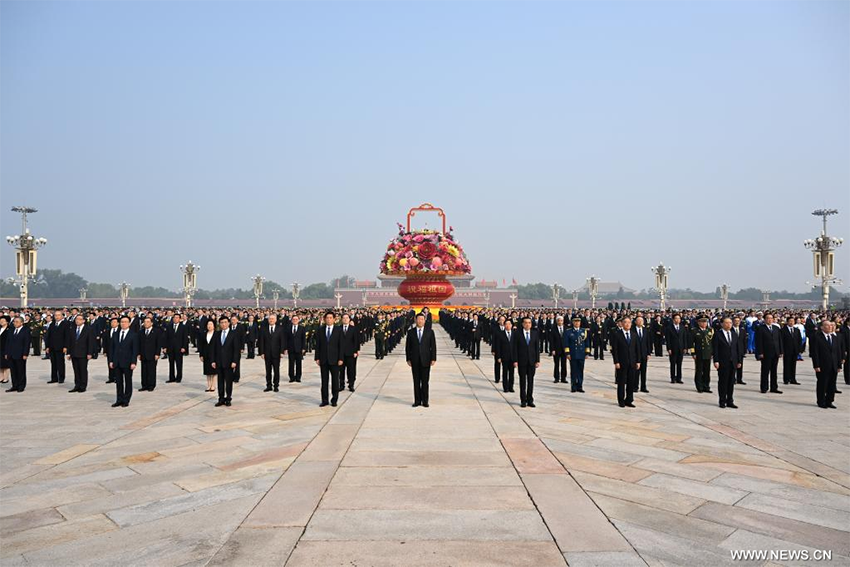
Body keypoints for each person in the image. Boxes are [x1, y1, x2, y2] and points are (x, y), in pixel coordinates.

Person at [406, 312, 436, 407]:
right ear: (415, 320)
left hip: (426, 360)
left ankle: (425, 401)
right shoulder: (411, 332)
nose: (420, 321)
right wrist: (408, 359)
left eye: (422, 319)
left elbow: (433, 346)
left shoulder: (430, 332)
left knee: (425, 382)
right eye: (418, 319)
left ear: (424, 320)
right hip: (414, 360)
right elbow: (408, 347)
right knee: (416, 381)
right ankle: (417, 401)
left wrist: (433, 358)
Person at [810, 320, 843, 409]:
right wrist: (816, 365)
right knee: (822, 384)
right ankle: (821, 401)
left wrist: (839, 365)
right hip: (822, 365)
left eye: (831, 326)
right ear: (822, 327)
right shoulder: (817, 338)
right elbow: (815, 352)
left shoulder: (834, 337)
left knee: (832, 384)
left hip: (833, 365)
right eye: (827, 325)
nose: (830, 327)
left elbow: (838, 352)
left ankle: (829, 401)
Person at [315, 311, 343, 407]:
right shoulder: (320, 330)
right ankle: (324, 400)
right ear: (324, 319)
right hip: (323, 359)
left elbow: (341, 346)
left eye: (331, 318)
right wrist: (317, 357)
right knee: (324, 381)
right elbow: (317, 345)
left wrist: (340, 358)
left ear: (334, 319)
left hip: (335, 360)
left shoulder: (338, 330)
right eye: (327, 318)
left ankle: (334, 399)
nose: (329, 319)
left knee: (335, 381)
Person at [712, 316, 741, 409]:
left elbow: (737, 349)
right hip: (722, 362)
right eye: (727, 323)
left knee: (731, 382)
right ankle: (722, 400)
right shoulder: (717, 334)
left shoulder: (734, 334)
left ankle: (730, 401)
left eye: (730, 323)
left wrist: (739, 361)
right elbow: (715, 349)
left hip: (733, 361)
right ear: (722, 324)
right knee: (723, 382)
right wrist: (716, 361)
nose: (729, 325)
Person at [109, 316, 138, 407]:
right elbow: (112, 349)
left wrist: (134, 362)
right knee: (119, 382)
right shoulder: (116, 334)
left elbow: (135, 350)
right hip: (117, 362)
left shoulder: (133, 335)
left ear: (129, 323)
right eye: (121, 322)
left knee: (128, 381)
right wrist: (111, 361)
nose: (123, 323)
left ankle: (126, 399)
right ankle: (119, 399)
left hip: (128, 362)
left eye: (125, 322)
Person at [611, 316, 639, 408]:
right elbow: (614, 350)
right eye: (625, 322)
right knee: (621, 382)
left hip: (632, 362)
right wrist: (616, 362)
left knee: (631, 382)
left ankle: (629, 400)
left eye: (629, 322)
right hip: (621, 362)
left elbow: (636, 349)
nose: (627, 324)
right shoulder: (617, 334)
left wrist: (638, 361)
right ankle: (621, 400)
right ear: (622, 324)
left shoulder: (634, 335)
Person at [214, 316, 240, 407]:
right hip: (219, 362)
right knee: (220, 382)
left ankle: (228, 398)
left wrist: (234, 361)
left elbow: (236, 349)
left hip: (229, 362)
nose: (223, 324)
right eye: (221, 322)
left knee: (228, 382)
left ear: (228, 323)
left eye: (225, 322)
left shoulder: (234, 334)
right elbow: (214, 349)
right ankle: (221, 398)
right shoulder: (217, 334)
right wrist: (213, 361)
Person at [755, 312, 783, 394]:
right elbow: (758, 341)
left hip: (775, 352)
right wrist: (760, 352)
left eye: (771, 318)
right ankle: (764, 387)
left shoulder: (776, 328)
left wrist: (781, 351)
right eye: (768, 318)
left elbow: (779, 340)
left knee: (774, 371)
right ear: (764, 319)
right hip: (765, 353)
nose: (770, 320)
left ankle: (774, 387)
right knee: (765, 371)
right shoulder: (760, 328)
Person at [67, 314, 96, 393]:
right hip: (74, 353)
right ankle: (77, 385)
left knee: (82, 370)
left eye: (80, 319)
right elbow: (70, 342)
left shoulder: (88, 329)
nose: (77, 321)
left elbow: (90, 342)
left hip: (83, 353)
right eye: (76, 319)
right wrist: (69, 353)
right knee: (76, 370)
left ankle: (83, 386)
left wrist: (90, 353)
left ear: (83, 321)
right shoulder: (72, 329)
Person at [515, 317, 539, 408]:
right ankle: (523, 400)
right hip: (521, 361)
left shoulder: (535, 333)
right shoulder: (517, 334)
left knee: (530, 381)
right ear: (522, 324)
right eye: (525, 323)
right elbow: (515, 348)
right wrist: (515, 360)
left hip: (532, 361)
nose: (527, 324)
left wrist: (537, 360)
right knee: (522, 381)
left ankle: (530, 400)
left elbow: (537, 348)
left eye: (529, 323)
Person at [4, 317, 30, 392]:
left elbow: (27, 343)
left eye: (17, 322)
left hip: (20, 354)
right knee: (13, 371)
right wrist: (6, 353)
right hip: (11, 354)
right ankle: (14, 385)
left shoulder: (25, 330)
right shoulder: (11, 330)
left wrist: (25, 354)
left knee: (20, 371)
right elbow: (7, 342)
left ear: (22, 323)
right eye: (14, 322)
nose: (15, 323)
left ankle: (21, 386)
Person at [259, 313, 284, 392]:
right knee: (268, 371)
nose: (271, 320)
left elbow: (282, 341)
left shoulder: (280, 329)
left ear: (276, 320)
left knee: (276, 371)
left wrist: (281, 352)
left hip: (276, 354)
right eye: (270, 319)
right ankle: (268, 385)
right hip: (267, 353)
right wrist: (262, 352)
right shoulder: (264, 329)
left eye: (273, 319)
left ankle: (276, 385)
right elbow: (261, 342)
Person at [45, 310, 70, 384]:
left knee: (60, 363)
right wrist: (47, 346)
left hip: (60, 347)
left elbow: (67, 336)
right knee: (53, 363)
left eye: (58, 315)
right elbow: (48, 336)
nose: (57, 317)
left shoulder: (66, 324)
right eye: (55, 315)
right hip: (52, 347)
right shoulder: (52, 324)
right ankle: (54, 378)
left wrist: (66, 346)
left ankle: (61, 377)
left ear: (62, 316)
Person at [565, 316, 589, 393]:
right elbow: (566, 343)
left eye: (578, 322)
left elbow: (587, 343)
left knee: (580, 371)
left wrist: (587, 352)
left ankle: (580, 386)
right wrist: (567, 353)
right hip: (573, 354)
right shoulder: (568, 332)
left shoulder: (583, 331)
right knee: (574, 371)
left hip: (581, 354)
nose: (577, 323)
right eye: (575, 322)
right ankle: (573, 386)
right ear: (573, 323)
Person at [690, 315, 714, 394]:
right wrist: (693, 353)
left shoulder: (710, 331)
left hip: (707, 353)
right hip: (699, 353)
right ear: (698, 322)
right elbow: (691, 343)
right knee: (699, 371)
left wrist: (712, 353)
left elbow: (712, 343)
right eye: (702, 321)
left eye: (705, 321)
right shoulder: (694, 331)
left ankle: (706, 386)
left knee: (707, 371)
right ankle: (699, 386)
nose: (704, 323)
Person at [138, 316, 162, 392]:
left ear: (151, 323)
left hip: (152, 354)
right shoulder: (141, 332)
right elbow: (139, 344)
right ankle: (144, 385)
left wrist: (157, 354)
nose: (146, 323)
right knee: (144, 371)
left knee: (151, 370)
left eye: (148, 322)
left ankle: (151, 385)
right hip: (143, 354)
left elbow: (158, 343)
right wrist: (138, 353)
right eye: (145, 322)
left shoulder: (156, 331)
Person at [165, 314, 189, 383]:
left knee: (179, 364)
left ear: (180, 319)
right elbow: (166, 337)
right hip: (170, 348)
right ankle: (171, 377)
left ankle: (179, 377)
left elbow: (185, 338)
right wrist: (165, 347)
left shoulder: (183, 327)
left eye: (177, 318)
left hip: (179, 348)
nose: (175, 319)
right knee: (171, 364)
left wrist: (184, 347)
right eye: (174, 317)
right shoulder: (169, 327)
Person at [494, 319, 516, 393]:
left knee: (512, 373)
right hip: (504, 356)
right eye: (506, 324)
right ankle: (505, 387)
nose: (508, 325)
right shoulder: (500, 334)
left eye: (509, 324)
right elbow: (498, 346)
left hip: (513, 357)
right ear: (504, 325)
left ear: (511, 325)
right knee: (505, 372)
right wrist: (499, 357)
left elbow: (517, 347)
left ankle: (511, 387)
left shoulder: (515, 334)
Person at [339, 313, 359, 392]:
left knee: (351, 370)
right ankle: (341, 384)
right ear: (341, 319)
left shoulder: (353, 329)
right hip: (341, 353)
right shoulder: (338, 328)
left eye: (347, 318)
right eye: (343, 318)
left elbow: (356, 341)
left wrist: (356, 351)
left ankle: (351, 385)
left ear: (349, 319)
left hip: (351, 353)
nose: (345, 319)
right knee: (341, 370)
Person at [665, 314, 687, 384]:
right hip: (673, 348)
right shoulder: (669, 328)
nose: (678, 320)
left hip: (681, 348)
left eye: (679, 318)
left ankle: (679, 378)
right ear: (673, 319)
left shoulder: (682, 327)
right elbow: (667, 339)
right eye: (676, 318)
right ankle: (672, 378)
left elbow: (684, 338)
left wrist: (685, 347)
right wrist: (669, 348)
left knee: (679, 364)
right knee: (673, 364)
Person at [780, 316, 802, 385]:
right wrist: (781, 351)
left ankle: (793, 379)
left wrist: (799, 349)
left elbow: (799, 340)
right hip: (787, 350)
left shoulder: (796, 330)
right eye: (790, 321)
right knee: (787, 365)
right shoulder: (783, 330)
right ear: (787, 322)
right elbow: (781, 341)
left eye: (793, 321)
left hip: (794, 350)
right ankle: (786, 379)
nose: (791, 322)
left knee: (793, 365)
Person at [285, 315, 307, 382]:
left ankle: (298, 377)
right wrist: (285, 348)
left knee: (298, 364)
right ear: (291, 320)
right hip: (290, 348)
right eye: (293, 319)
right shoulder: (288, 328)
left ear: (298, 320)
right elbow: (286, 339)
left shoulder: (302, 328)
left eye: (296, 319)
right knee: (291, 364)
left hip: (299, 348)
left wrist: (303, 348)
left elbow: (304, 339)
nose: (295, 320)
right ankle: (291, 377)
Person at [198, 319, 217, 392]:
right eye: (208, 324)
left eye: (211, 324)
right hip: (206, 354)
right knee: (207, 371)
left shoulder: (216, 334)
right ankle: (208, 385)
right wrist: (201, 355)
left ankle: (213, 385)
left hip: (214, 354)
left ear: (214, 326)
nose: (209, 326)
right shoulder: (204, 334)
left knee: (214, 371)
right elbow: (201, 345)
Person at [634, 315, 652, 393]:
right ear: (635, 322)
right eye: (639, 320)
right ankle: (635, 386)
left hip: (644, 354)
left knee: (644, 371)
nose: (640, 322)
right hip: (635, 355)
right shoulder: (632, 330)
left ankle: (643, 386)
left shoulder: (645, 330)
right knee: (636, 372)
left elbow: (648, 342)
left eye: (642, 321)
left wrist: (648, 353)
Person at [550, 316, 567, 384]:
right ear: (557, 321)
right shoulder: (553, 329)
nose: (560, 322)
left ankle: (563, 378)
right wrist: (552, 349)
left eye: (561, 320)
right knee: (556, 364)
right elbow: (551, 340)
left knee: (564, 364)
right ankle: (556, 378)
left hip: (564, 349)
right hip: (556, 349)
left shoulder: (566, 329)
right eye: (559, 320)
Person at [0, 316, 9, 385]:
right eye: (0, 320)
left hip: (5, 348)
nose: (1, 322)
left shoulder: (9, 329)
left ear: (7, 322)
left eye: (3, 320)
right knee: (0, 364)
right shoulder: (0, 329)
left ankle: (6, 378)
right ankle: (1, 377)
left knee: (5, 364)